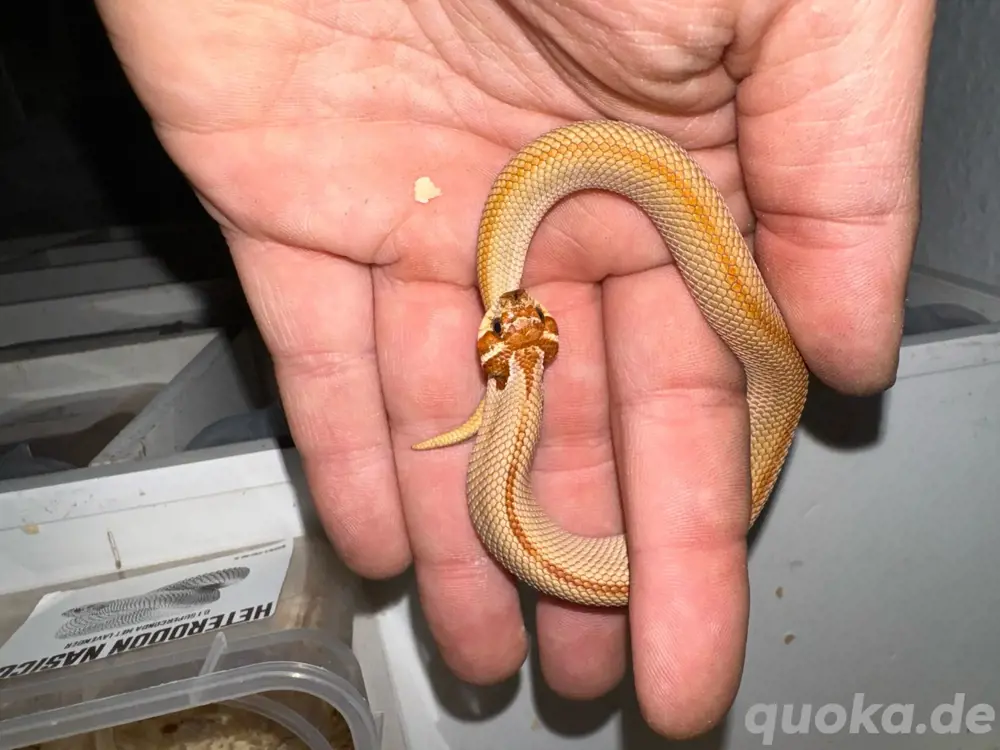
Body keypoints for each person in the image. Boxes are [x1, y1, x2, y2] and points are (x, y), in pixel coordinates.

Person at [93, 0, 936, 738]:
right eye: (517, 317)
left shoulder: (513, 318)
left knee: (780, 372)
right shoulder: (512, 309)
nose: (515, 310)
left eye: (513, 318)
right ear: (512, 347)